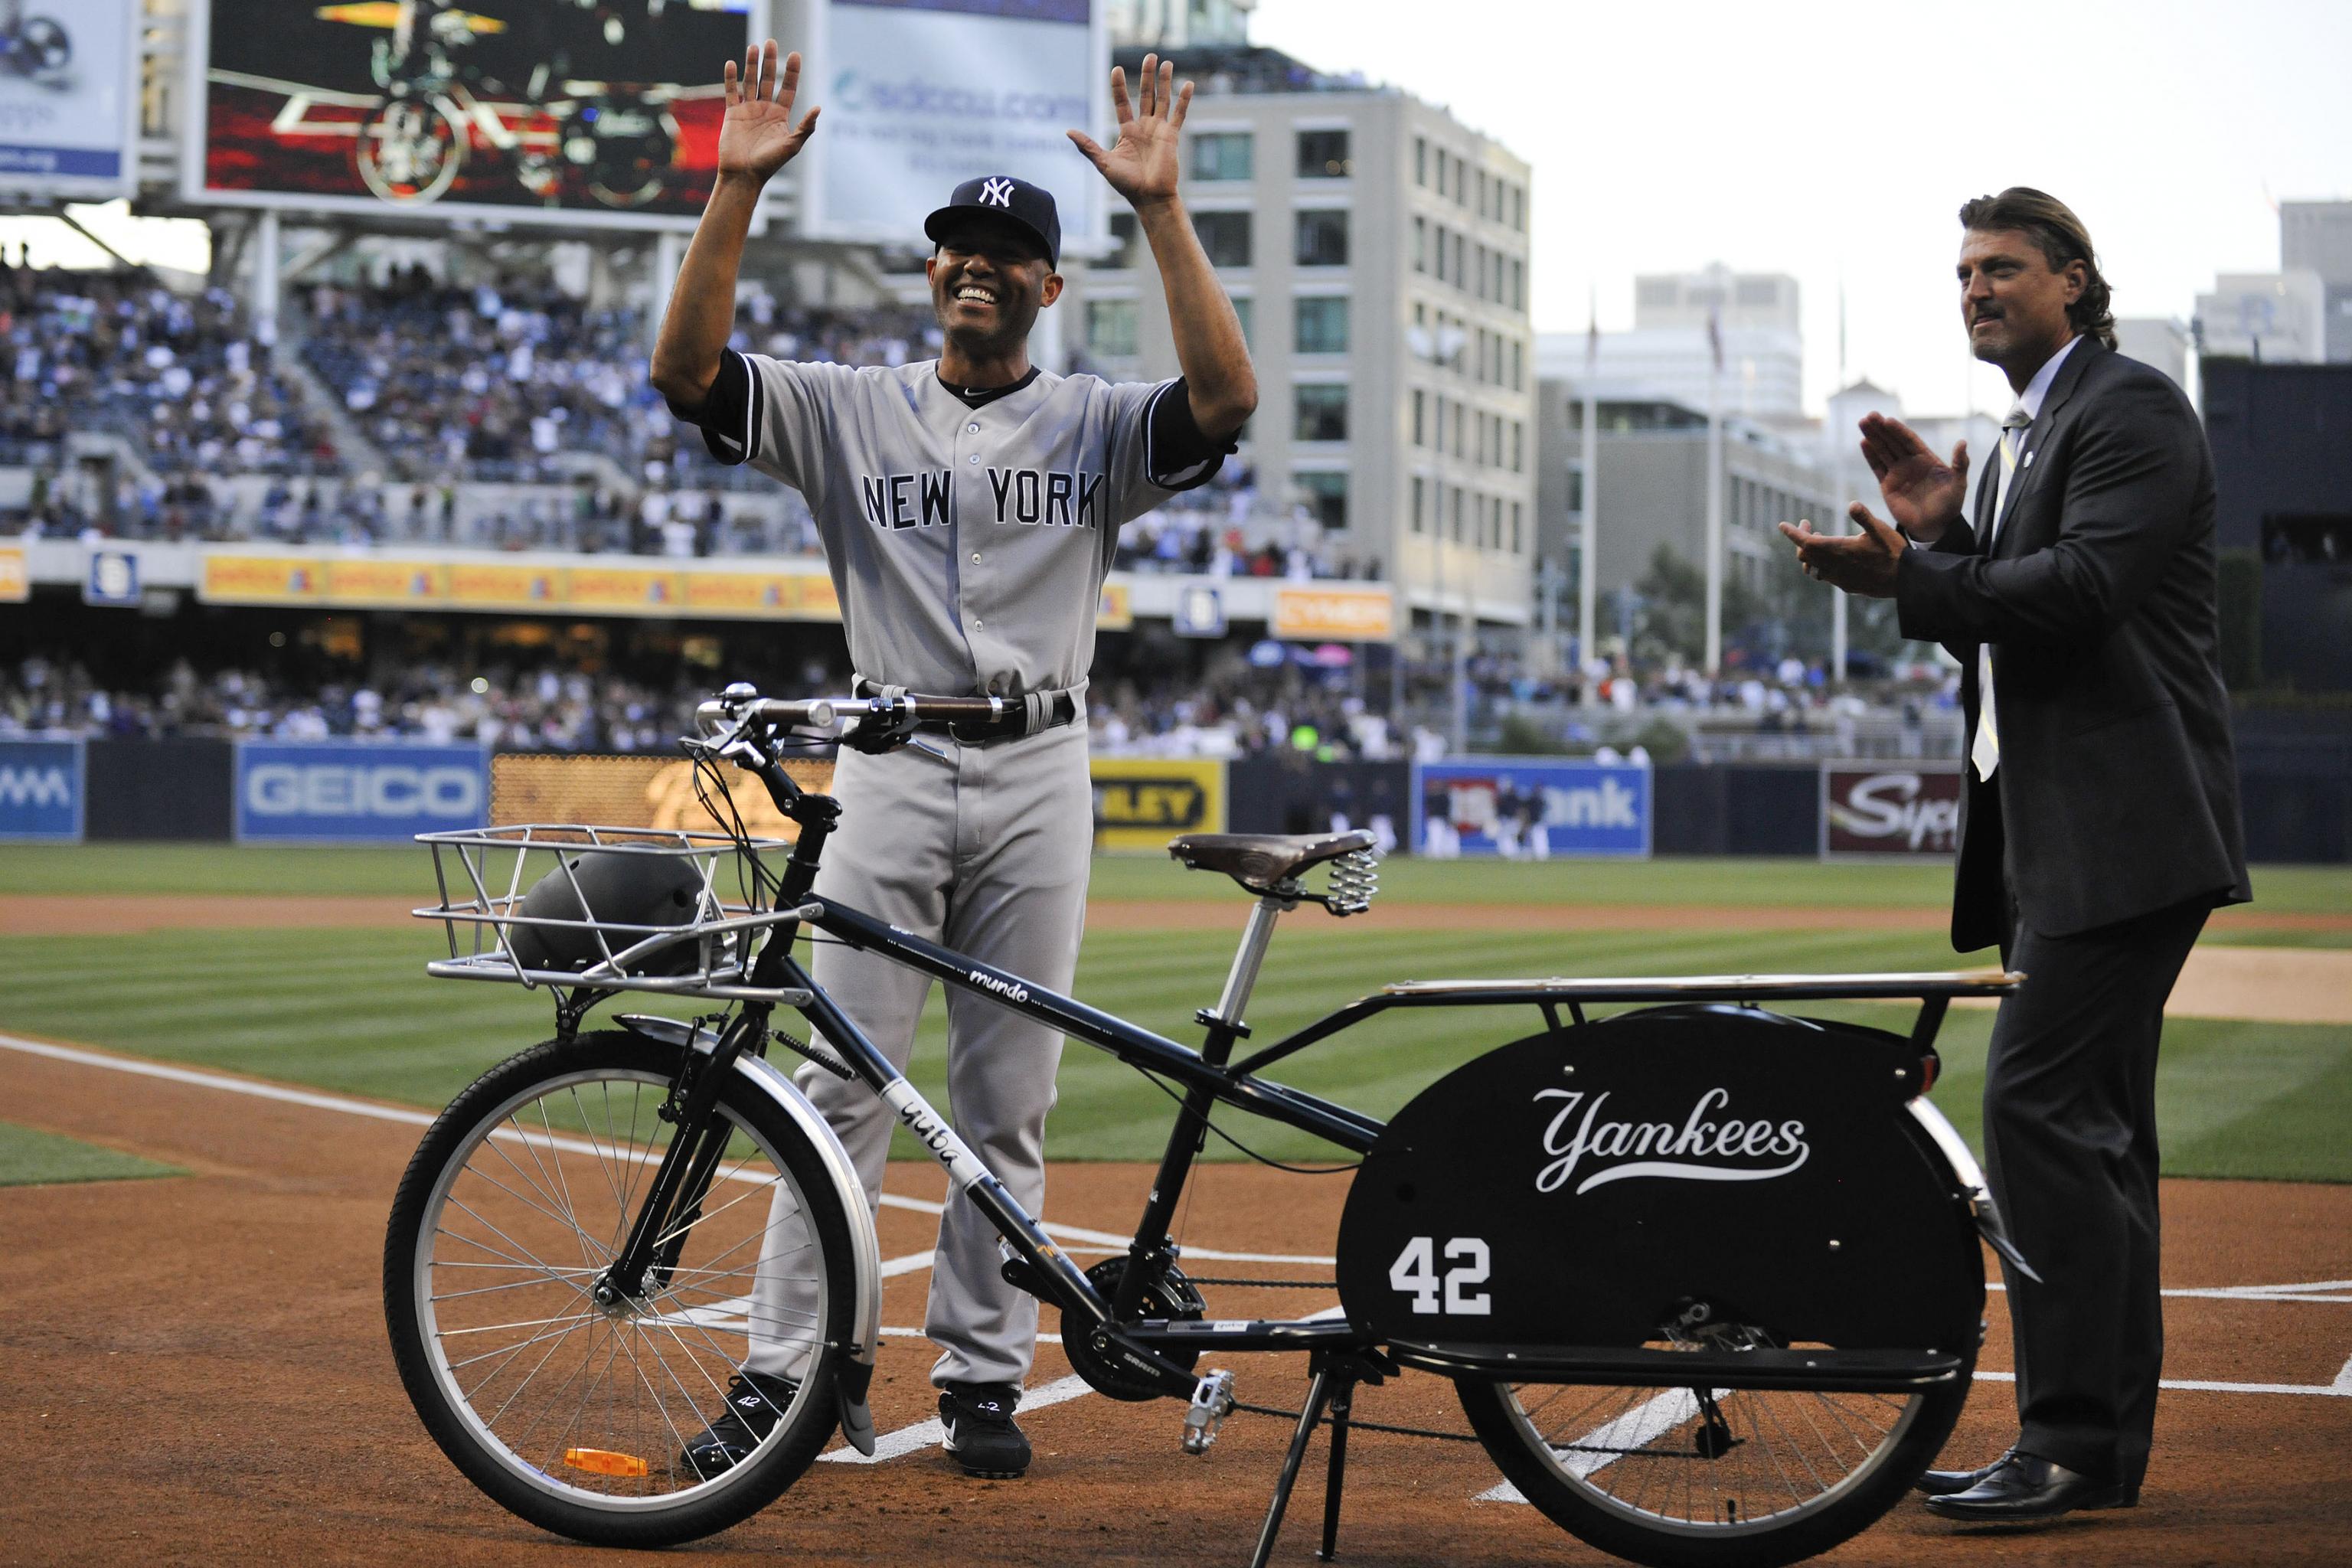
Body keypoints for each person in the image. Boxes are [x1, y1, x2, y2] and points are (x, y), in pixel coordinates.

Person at [647, 41, 1255, 1481]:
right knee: (832, 1088)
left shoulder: (1099, 422)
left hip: (1042, 765)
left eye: (1006, 252)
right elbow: (686, 372)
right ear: (932, 277)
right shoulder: (848, 407)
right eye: (955, 249)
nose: (973, 266)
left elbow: (1223, 402)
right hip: (891, 761)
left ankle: (982, 1371)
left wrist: (1163, 210)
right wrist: (732, 186)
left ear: (1048, 286)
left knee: (1008, 1094)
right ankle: (784, 1371)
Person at [1780, 188, 2249, 1523]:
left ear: (2076, 283)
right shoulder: (2022, 434)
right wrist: (1947, 534)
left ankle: (2068, 1441)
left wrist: (1914, 578)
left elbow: (2086, 596)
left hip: (2125, 829)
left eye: (2003, 268)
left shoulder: (2131, 408)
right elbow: (2021, 605)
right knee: (2094, 1136)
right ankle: (2090, 1449)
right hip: (2069, 833)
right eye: (1965, 271)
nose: (1977, 287)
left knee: (2039, 1115)